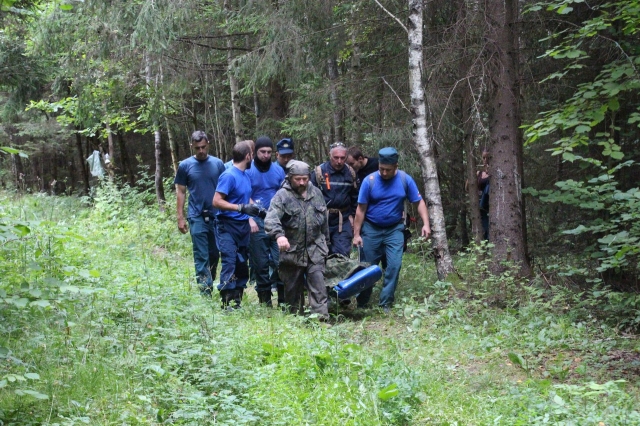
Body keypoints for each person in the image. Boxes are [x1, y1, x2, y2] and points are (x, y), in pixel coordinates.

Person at [352, 147, 431, 312]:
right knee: (368, 267)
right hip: (371, 229)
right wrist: (357, 234)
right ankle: (362, 302)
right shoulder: (370, 181)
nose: (384, 173)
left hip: (394, 229)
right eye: (381, 169)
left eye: (388, 170)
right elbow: (360, 209)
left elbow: (418, 202)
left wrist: (426, 223)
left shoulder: (405, 179)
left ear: (396, 166)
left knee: (394, 265)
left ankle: (385, 302)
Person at [265, 160, 330, 319]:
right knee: (293, 291)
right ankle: (296, 321)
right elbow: (271, 219)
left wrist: (326, 243)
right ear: (290, 177)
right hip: (292, 251)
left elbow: (324, 221)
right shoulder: (282, 196)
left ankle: (320, 319)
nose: (302, 183)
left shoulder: (316, 193)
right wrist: (279, 236)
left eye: (305, 179)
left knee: (318, 285)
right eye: (297, 179)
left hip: (315, 249)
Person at [212, 141, 263, 309]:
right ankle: (227, 301)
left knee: (242, 263)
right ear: (248, 156)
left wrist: (255, 208)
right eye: (253, 154)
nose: (253, 158)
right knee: (230, 260)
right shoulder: (229, 175)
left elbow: (244, 197)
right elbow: (217, 201)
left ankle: (237, 300)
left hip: (242, 226)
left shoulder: (245, 175)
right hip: (227, 225)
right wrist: (240, 208)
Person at [174, 130, 226, 296]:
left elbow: (226, 188)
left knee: (213, 253)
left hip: (216, 216)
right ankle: (205, 291)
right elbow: (181, 192)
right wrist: (180, 217)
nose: (201, 151)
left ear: (208, 144)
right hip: (196, 216)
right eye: (197, 148)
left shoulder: (218, 164)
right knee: (201, 255)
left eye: (203, 147)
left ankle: (210, 277)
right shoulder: (185, 166)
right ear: (192, 147)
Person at [246, 136, 286, 306]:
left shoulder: (278, 171)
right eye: (262, 152)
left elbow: (284, 195)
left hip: (276, 221)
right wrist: (249, 218)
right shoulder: (247, 170)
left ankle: (284, 300)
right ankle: (265, 301)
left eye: (269, 152)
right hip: (256, 221)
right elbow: (243, 195)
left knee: (281, 261)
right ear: (255, 152)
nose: (265, 155)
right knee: (260, 263)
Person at [310, 142, 358, 256]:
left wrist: (353, 216)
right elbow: (309, 197)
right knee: (320, 255)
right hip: (321, 220)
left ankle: (341, 273)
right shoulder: (319, 172)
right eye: (336, 158)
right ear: (329, 155)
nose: (339, 161)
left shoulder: (350, 173)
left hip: (343, 220)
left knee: (341, 255)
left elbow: (355, 197)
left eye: (342, 158)